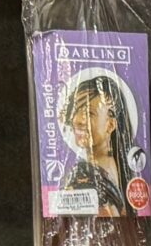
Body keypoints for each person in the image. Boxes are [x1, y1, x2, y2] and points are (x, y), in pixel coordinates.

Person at [58, 71, 139, 215]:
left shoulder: (88, 175)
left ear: (111, 125)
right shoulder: (112, 165)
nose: (77, 120)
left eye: (89, 114)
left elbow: (108, 218)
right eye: (76, 111)